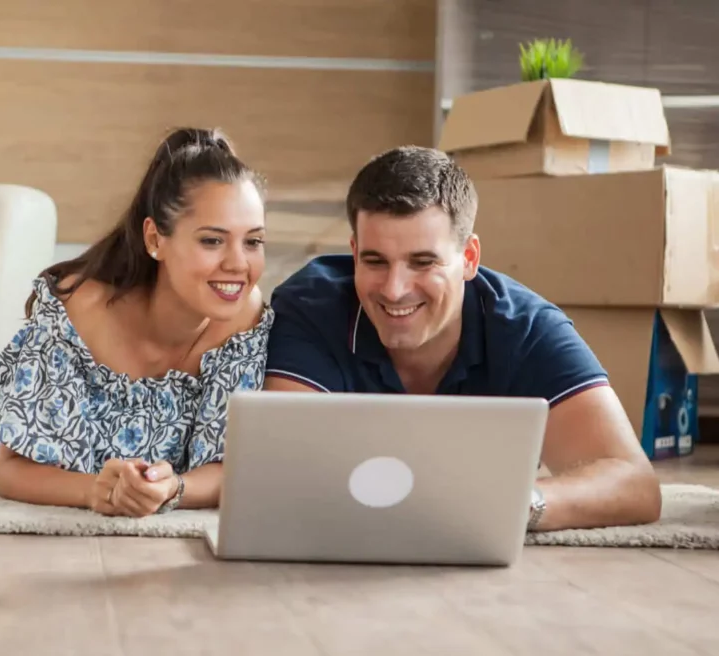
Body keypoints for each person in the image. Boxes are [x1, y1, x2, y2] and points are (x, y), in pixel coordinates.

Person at [263, 145, 662, 533]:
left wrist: (515, 504)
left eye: (423, 262)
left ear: (469, 258)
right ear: (354, 253)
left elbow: (634, 483)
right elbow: (279, 466)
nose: (394, 289)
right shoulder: (310, 309)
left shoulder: (526, 327)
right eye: (375, 261)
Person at [0, 127, 274, 518]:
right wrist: (97, 492)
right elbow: (13, 470)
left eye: (253, 241)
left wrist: (174, 489)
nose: (238, 263)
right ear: (155, 240)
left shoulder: (244, 317)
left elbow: (230, 467)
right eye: (212, 240)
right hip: (2, 408)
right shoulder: (79, 308)